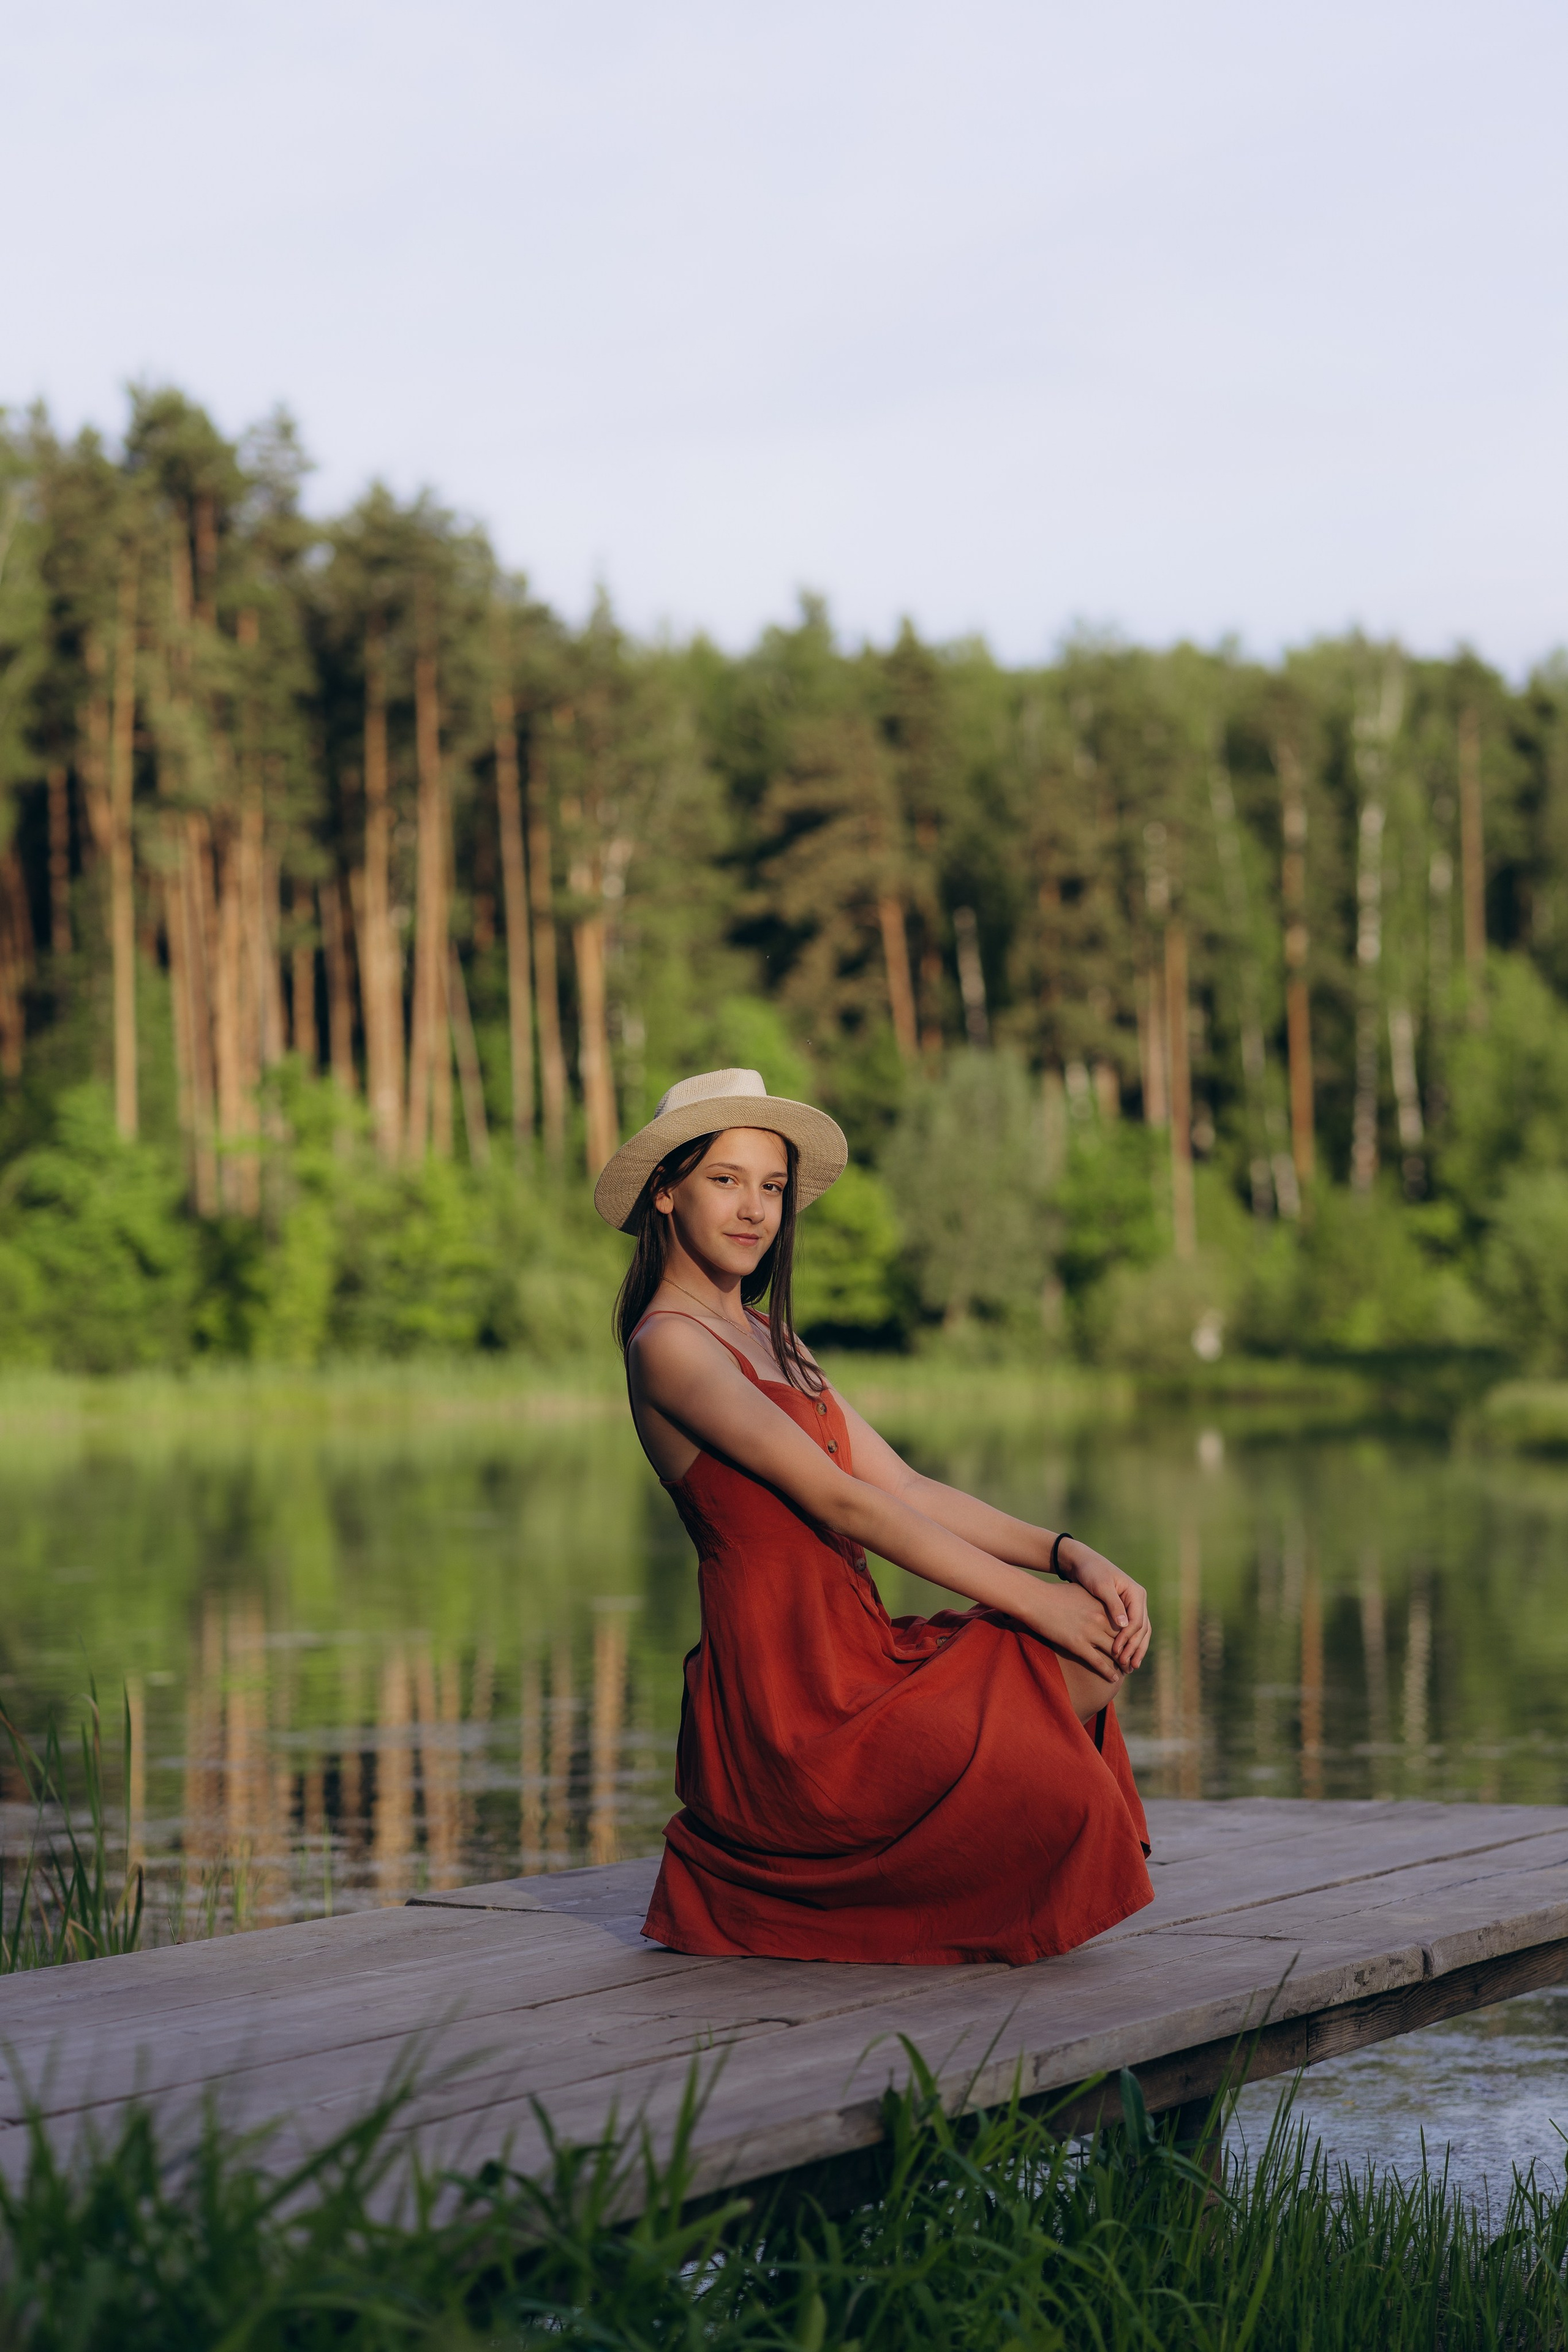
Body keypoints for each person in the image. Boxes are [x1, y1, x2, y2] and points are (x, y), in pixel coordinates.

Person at [594, 1067, 1153, 1966]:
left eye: (772, 1187)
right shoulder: (668, 1347)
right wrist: (1030, 1601)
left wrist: (1068, 1555)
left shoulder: (776, 1337)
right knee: (1062, 1657)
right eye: (726, 1180)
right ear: (666, 1191)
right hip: (789, 1696)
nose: (754, 1210)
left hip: (858, 1651)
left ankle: (916, 1887)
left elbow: (906, 1487)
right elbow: (841, 1498)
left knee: (1091, 1647)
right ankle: (832, 1884)